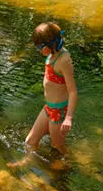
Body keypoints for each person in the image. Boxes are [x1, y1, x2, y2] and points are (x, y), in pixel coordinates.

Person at [25, 22, 77, 155]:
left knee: (58, 147)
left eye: (39, 47)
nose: (38, 50)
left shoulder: (64, 60)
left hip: (59, 111)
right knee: (30, 141)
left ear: (49, 45)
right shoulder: (51, 55)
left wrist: (68, 118)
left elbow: (72, 91)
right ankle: (26, 162)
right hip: (48, 108)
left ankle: (71, 166)